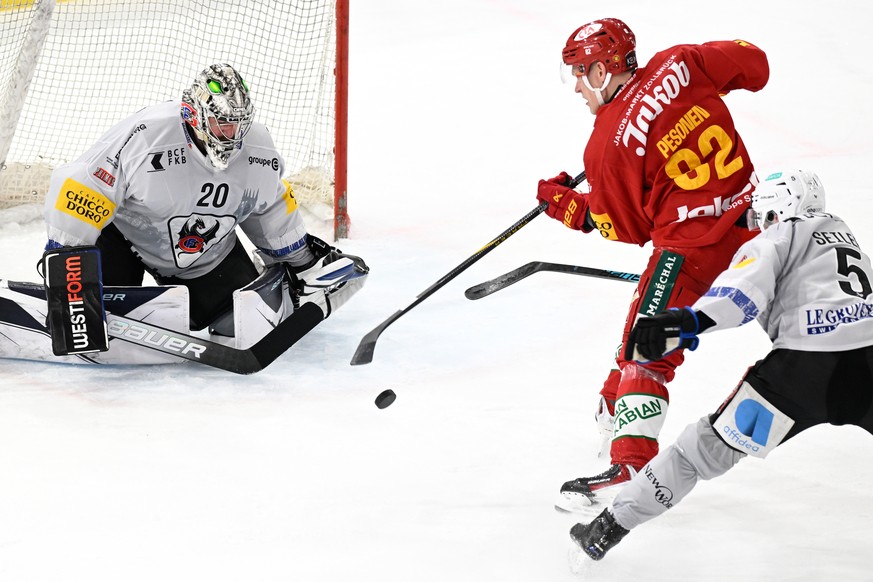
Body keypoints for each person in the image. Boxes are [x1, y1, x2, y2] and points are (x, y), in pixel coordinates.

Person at [569, 169, 873, 561]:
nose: (756, 226)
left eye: (759, 217)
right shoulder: (845, 236)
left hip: (800, 375)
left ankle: (606, 530)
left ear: (774, 212)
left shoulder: (779, 235)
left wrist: (686, 322)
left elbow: (740, 296)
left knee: (698, 452)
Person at [535, 18, 770, 509]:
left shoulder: (607, 144)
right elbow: (756, 65)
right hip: (757, 234)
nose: (577, 84)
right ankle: (613, 409)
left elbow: (621, 227)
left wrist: (564, 204)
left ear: (603, 70)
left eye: (581, 72)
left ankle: (630, 467)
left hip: (689, 254)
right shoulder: (681, 61)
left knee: (648, 345)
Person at [42, 63, 365, 343]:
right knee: (99, 318)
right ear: (193, 114)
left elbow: (269, 205)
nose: (231, 134)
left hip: (202, 252)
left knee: (239, 322)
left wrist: (303, 263)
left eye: (239, 124)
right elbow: (84, 187)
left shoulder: (259, 150)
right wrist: (66, 268)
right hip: (122, 237)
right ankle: (86, 302)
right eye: (222, 123)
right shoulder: (146, 135)